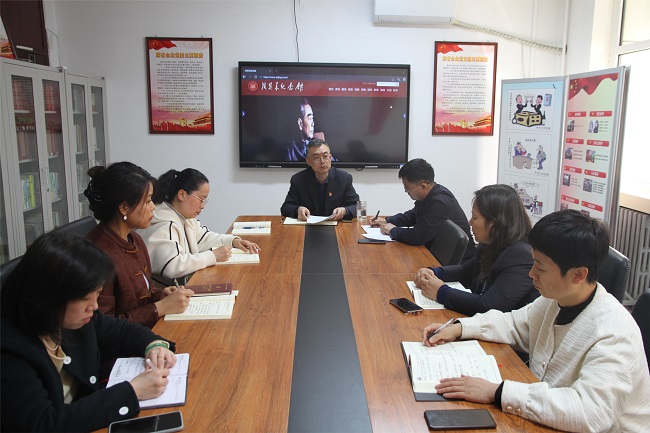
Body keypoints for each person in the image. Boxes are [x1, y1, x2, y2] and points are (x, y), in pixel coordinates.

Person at [422, 210, 650, 432]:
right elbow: (513, 324)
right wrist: (459, 327)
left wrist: (498, 392)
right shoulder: (555, 300)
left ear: (578, 275)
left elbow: (589, 413)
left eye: (540, 268)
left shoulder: (614, 333)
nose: (531, 274)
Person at [1, 230, 177, 432]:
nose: (94, 306)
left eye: (97, 294)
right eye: (86, 298)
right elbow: (43, 424)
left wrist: (153, 345)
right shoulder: (9, 351)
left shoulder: (71, 318)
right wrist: (132, 391)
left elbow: (121, 331)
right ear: (49, 296)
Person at [85, 162, 193, 328]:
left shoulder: (134, 239)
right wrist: (159, 308)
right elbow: (103, 326)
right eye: (148, 201)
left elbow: (142, 292)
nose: (153, 207)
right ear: (124, 208)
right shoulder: (98, 255)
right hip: (126, 341)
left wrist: (161, 295)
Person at [414, 184, 537, 316]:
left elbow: (488, 306)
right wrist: (434, 272)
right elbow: (466, 271)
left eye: (475, 217)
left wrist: (441, 292)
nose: (470, 222)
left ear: (493, 223)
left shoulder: (522, 256)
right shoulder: (490, 242)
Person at [139, 168, 260, 285]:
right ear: (182, 194)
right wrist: (213, 256)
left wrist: (233, 241)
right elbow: (173, 266)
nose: (203, 206)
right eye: (201, 199)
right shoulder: (164, 223)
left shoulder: (184, 217)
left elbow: (203, 238)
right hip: (162, 293)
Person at [371, 158, 476, 261]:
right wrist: (387, 220)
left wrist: (392, 231)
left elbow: (418, 236)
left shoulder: (440, 203)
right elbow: (412, 215)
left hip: (460, 262)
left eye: (407, 187)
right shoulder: (431, 194)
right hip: (436, 252)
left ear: (423, 186)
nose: (405, 191)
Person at [281, 138, 359, 220]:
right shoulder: (298, 180)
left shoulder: (344, 178)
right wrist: (298, 210)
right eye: (316, 157)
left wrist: (344, 210)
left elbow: (356, 206)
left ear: (330, 158)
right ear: (308, 161)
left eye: (325, 156)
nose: (322, 161)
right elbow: (286, 207)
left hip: (335, 225)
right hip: (308, 225)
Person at [286, 97, 315, 161]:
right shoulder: (289, 152)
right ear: (300, 123)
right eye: (310, 118)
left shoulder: (317, 145)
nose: (313, 123)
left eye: (312, 118)